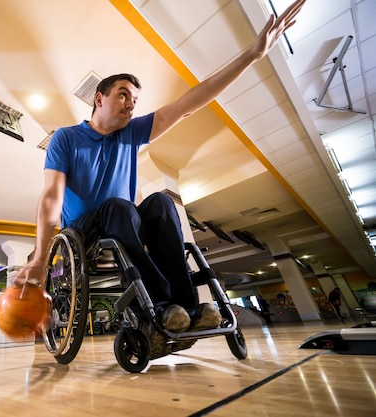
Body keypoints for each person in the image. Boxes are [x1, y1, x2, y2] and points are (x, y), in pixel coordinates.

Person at [16, 0, 306, 358]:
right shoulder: (66, 138)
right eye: (123, 95)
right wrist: (41, 257)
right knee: (119, 207)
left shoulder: (131, 132)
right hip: (83, 231)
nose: (130, 104)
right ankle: (158, 304)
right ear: (99, 98)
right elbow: (50, 198)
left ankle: (184, 309)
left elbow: (187, 104)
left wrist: (252, 55)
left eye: (135, 99)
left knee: (161, 202)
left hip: (122, 220)